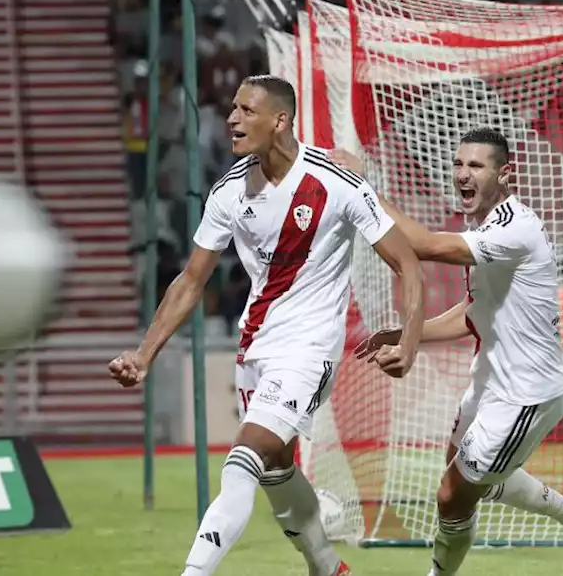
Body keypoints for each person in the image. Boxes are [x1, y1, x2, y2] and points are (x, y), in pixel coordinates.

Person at [108, 74, 425, 576]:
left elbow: (407, 263)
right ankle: (327, 567)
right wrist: (144, 354)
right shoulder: (230, 191)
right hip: (254, 349)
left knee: (243, 460)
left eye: (245, 110)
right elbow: (191, 279)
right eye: (232, 108)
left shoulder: (336, 181)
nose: (231, 119)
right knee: (277, 469)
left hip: (309, 349)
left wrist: (408, 342)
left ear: (280, 120)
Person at [334, 128, 563, 575]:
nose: (463, 174)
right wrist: (409, 333)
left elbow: (423, 246)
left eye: (476, 165)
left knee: (451, 495)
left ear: (505, 174)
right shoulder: (481, 224)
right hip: (491, 378)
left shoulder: (514, 229)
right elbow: (473, 312)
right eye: (459, 164)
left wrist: (360, 187)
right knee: (464, 480)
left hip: (527, 394)